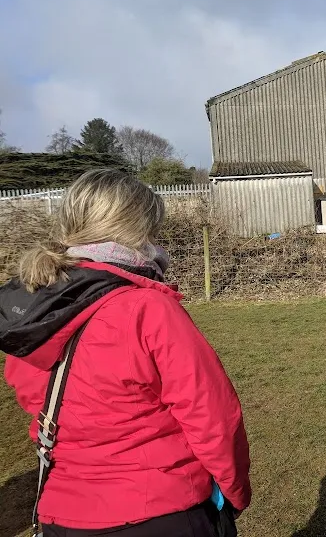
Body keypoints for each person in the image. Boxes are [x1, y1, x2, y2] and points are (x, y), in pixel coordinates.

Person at [0, 169, 251, 536]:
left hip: (63, 513)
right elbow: (213, 417)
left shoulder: (31, 313)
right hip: (160, 510)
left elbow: (32, 397)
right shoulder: (148, 308)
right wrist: (235, 492)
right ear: (139, 231)